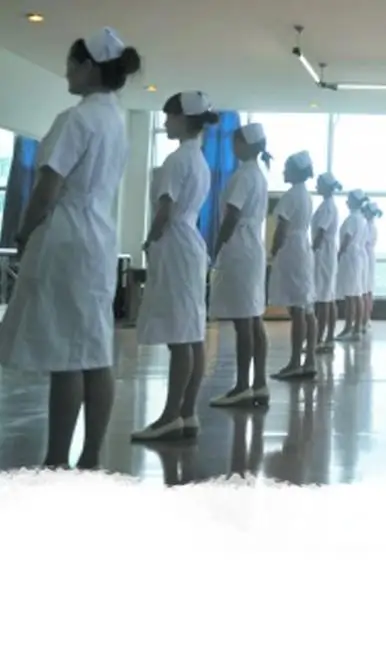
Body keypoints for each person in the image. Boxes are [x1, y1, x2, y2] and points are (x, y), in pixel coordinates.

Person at [0, 27, 141, 468]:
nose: (66, 72)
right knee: (94, 350)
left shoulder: (76, 119)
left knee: (67, 355)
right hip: (98, 237)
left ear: (89, 68)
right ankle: (91, 455)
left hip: (67, 237)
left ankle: (57, 460)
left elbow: (49, 186)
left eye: (71, 64)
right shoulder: (115, 121)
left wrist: (23, 233)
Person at [131, 91, 214, 442]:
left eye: (169, 117)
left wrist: (149, 240)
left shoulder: (177, 160)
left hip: (175, 245)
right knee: (191, 333)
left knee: (180, 336)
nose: (165, 123)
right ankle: (187, 412)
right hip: (190, 244)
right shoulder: (199, 160)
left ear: (184, 119)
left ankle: (169, 416)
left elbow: (165, 209)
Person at [208, 122, 271, 407]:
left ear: (245, 145)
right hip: (252, 248)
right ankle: (259, 383)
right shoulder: (257, 174)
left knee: (244, 321)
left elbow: (232, 215)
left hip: (239, 247)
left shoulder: (244, 175)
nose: (233, 147)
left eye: (236, 142)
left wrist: (217, 245)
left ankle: (243, 385)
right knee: (253, 317)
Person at [269, 151, 317, 379]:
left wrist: (273, 251)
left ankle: (296, 361)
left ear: (296, 172)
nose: (283, 171)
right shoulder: (305, 195)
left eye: (287, 168)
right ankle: (310, 360)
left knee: (297, 309)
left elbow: (282, 229)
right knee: (306, 307)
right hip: (302, 248)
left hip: (292, 250)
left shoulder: (291, 196)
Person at [313, 172, 342, 353]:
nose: (317, 186)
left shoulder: (327, 207)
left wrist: (311, 250)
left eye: (319, 183)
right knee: (328, 297)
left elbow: (320, 233)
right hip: (327, 253)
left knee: (323, 299)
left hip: (323, 253)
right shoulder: (328, 205)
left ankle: (319, 339)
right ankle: (328, 338)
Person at [335, 189, 367, 341]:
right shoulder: (361, 219)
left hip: (350, 257)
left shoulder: (352, 219)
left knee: (350, 296)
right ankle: (357, 328)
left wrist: (338, 254)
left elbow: (346, 238)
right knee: (356, 293)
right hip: (357, 257)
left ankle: (349, 328)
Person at [361, 199, 381, 333]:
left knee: (366, 289)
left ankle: (365, 318)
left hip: (366, 257)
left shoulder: (368, 227)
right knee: (368, 289)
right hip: (368, 256)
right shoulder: (370, 226)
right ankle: (365, 318)